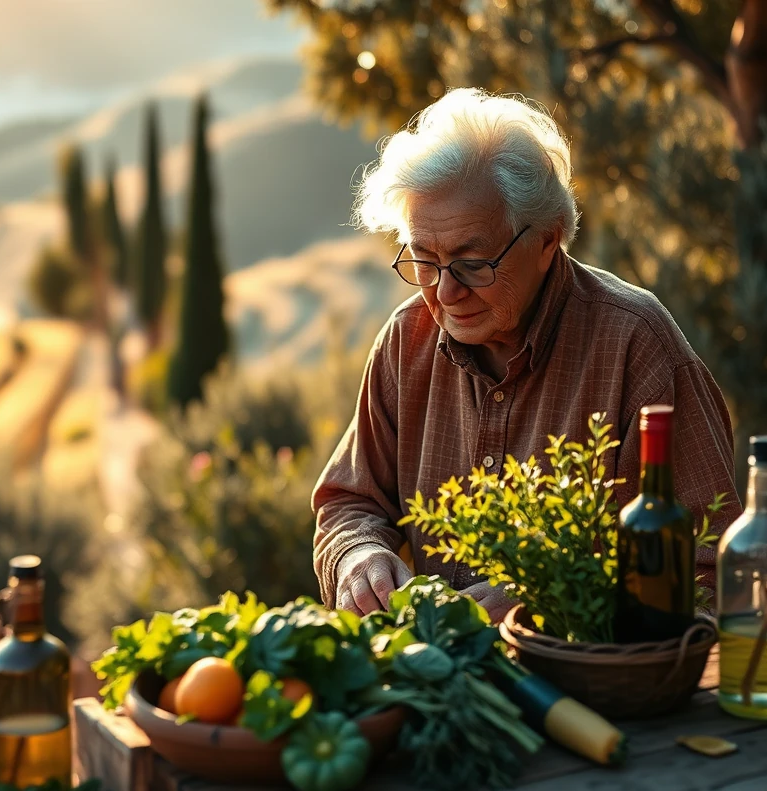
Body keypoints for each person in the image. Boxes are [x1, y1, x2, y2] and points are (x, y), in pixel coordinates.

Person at [314, 89, 741, 621]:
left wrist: (550, 603)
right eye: (424, 260)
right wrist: (357, 556)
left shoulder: (637, 348)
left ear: (546, 240)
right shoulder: (406, 342)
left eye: (473, 264)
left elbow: (712, 571)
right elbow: (349, 501)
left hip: (586, 672)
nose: (445, 292)